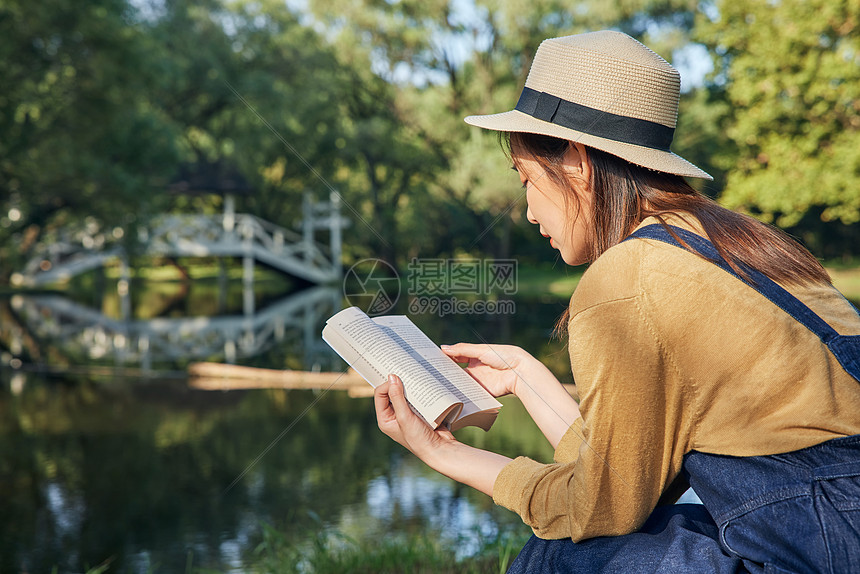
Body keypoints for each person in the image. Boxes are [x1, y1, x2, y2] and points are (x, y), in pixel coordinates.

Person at [372, 30, 860, 573]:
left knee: (561, 558)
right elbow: (620, 477)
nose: (529, 211)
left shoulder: (627, 279)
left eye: (527, 179)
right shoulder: (722, 241)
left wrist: (443, 452)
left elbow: (596, 510)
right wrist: (526, 377)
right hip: (832, 524)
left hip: (822, 544)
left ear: (577, 163)